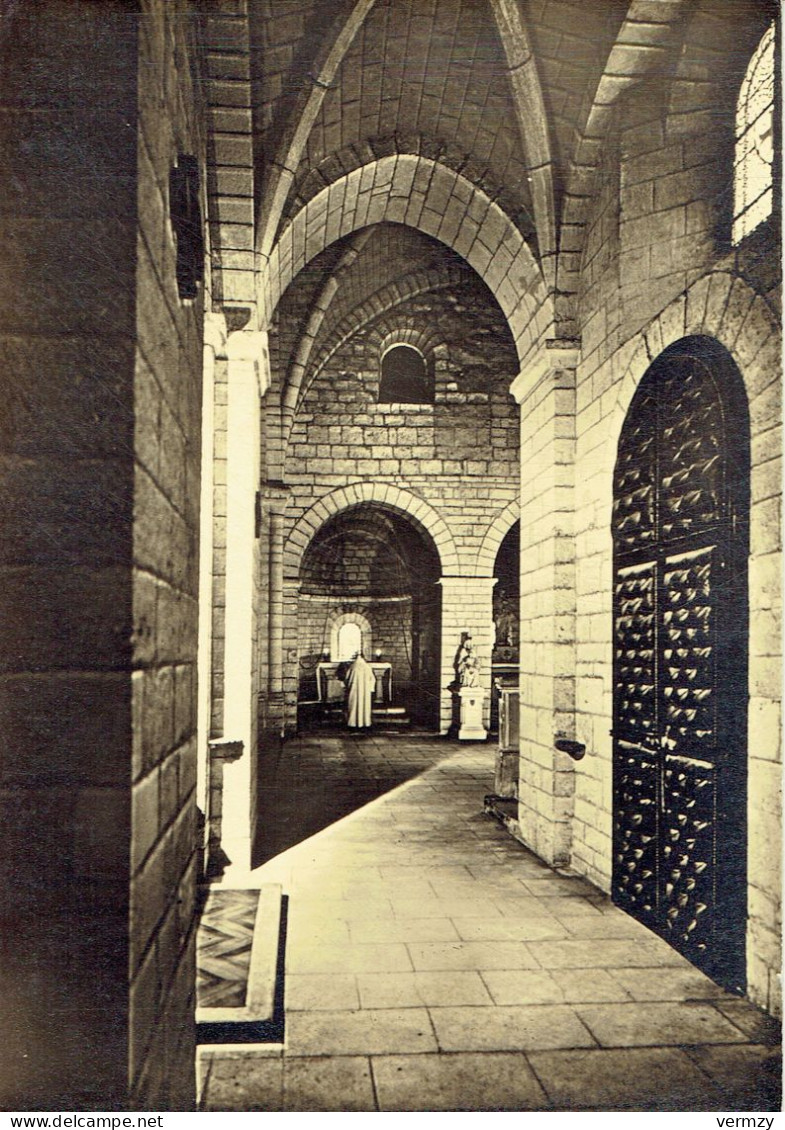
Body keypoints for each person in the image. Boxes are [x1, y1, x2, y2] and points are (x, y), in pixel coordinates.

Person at [345, 650, 374, 728]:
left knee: (354, 706)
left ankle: (353, 723)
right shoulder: (367, 667)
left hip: (354, 690)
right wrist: (370, 689)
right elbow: (372, 679)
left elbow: (347, 679)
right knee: (364, 706)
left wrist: (348, 686)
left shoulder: (352, 667)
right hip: (365, 692)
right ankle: (365, 723)